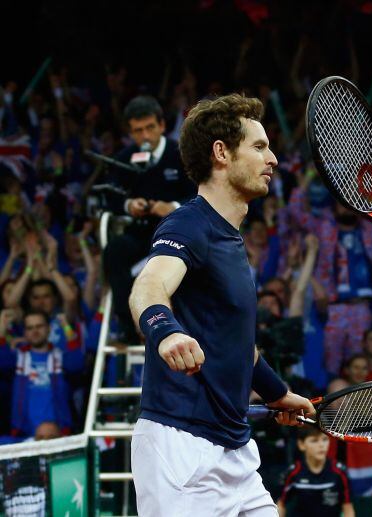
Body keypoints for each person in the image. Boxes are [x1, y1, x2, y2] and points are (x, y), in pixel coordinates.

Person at [128, 93, 315, 516]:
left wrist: (277, 392)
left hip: (236, 454)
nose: (273, 160)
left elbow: (234, 342)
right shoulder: (188, 224)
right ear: (221, 154)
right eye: (259, 147)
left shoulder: (230, 239)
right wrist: (166, 330)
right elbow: (149, 286)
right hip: (179, 449)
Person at [103, 95, 195, 342]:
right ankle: (129, 327)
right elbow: (109, 195)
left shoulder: (181, 153)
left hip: (177, 232)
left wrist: (174, 207)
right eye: (137, 131)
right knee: (114, 251)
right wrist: (129, 204)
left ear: (162, 126)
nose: (144, 136)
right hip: (142, 230)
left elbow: (201, 191)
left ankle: (184, 328)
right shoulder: (125, 157)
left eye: (149, 128)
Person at [278, 426, 354, 517]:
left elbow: (348, 507)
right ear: (301, 445)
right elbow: (281, 505)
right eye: (314, 441)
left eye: (325, 439)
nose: (321, 445)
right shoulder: (293, 473)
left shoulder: (340, 472)